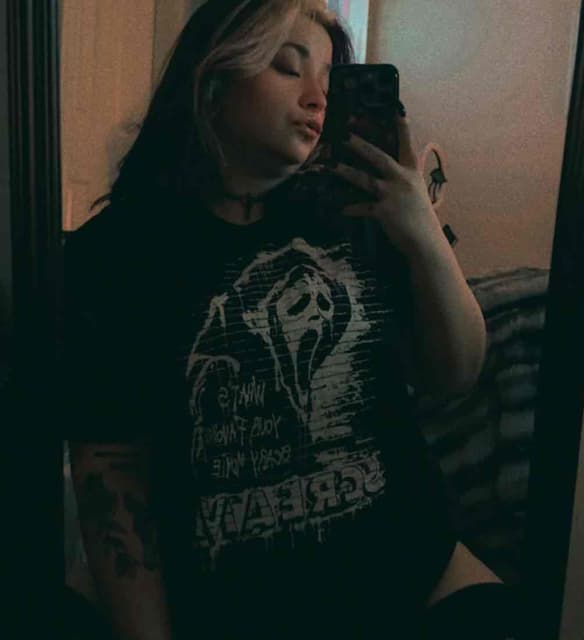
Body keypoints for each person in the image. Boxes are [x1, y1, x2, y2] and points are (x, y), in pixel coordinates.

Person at [62, 1, 522, 638]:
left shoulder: (357, 215)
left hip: (415, 577)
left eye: (329, 80)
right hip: (234, 611)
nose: (317, 98)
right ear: (214, 81)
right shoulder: (116, 254)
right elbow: (111, 471)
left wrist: (421, 230)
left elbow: (456, 374)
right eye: (287, 67)